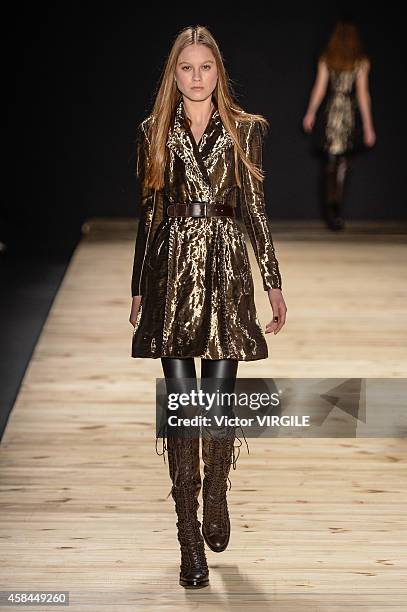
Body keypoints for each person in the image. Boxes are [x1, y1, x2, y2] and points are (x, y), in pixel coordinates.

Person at [129, 24, 287, 589]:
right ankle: (188, 541)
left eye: (206, 68)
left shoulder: (245, 132)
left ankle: (215, 492)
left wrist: (271, 280)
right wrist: (139, 288)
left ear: (219, 72)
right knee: (181, 408)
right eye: (186, 69)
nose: (196, 78)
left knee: (216, 402)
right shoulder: (154, 131)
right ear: (174, 75)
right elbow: (149, 212)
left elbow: (257, 209)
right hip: (171, 272)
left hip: (225, 273)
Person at [303, 18, 376, 230]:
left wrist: (311, 113)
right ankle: (336, 209)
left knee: (331, 163)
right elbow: (363, 95)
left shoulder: (328, 59)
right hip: (347, 114)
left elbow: (319, 89)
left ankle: (331, 209)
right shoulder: (360, 61)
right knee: (342, 163)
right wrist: (369, 126)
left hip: (331, 112)